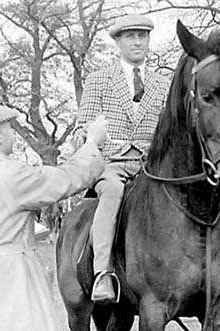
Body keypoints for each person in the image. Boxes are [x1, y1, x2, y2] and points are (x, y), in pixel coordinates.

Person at [0, 104, 108, 331]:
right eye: (11, 130)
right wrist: (92, 143)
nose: (13, 135)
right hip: (11, 285)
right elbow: (67, 179)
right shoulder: (10, 174)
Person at [73, 13, 171, 303]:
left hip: (151, 167)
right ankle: (102, 272)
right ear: (118, 42)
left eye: (143, 36)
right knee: (113, 192)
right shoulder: (99, 80)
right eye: (131, 36)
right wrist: (89, 138)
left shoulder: (163, 84)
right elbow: (83, 125)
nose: (138, 41)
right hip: (111, 165)